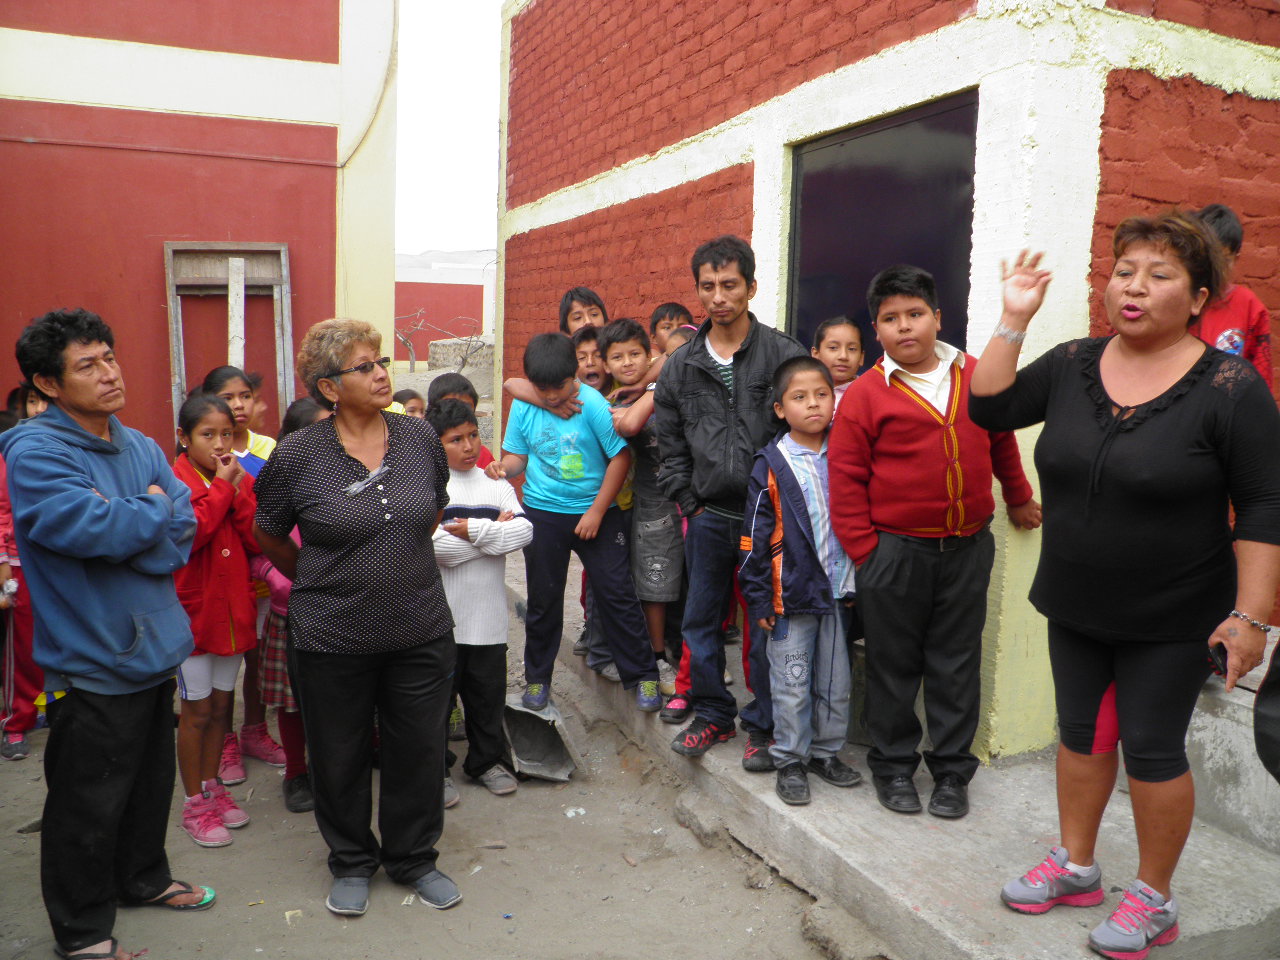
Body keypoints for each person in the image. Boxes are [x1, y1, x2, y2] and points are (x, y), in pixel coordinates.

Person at [969, 213, 1280, 960]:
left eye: (1160, 274)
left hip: (1175, 612)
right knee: (1079, 737)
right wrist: (1014, 317)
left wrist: (1252, 617)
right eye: (1125, 271)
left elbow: (1266, 505)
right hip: (1075, 599)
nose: (1134, 287)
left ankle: (1153, 896)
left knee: (1151, 749)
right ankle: (1077, 867)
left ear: (1200, 297)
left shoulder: (1231, 387)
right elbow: (990, 407)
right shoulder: (1074, 361)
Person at [2, 308, 214, 960]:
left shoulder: (142, 445)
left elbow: (178, 538)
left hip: (153, 647)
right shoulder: (36, 451)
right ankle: (83, 929)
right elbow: (88, 530)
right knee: (86, 804)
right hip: (91, 655)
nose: (109, 373)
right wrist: (148, 512)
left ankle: (142, 878)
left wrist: (137, 526)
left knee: (149, 784)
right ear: (49, 384)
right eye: (87, 365)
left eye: (110, 357)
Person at [253, 318, 461, 917]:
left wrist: (392, 567)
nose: (380, 373)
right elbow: (268, 533)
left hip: (419, 626)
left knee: (418, 748)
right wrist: (326, 579)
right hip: (331, 635)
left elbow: (430, 511)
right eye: (364, 366)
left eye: (380, 362)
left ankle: (413, 857)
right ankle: (350, 860)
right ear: (328, 387)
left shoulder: (419, 438)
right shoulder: (297, 455)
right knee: (338, 754)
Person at [829, 264, 1040, 820]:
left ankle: (950, 772)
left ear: (937, 318)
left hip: (967, 549)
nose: (905, 328)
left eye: (915, 314)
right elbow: (846, 479)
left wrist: (1017, 497)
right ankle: (895, 767)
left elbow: (1001, 443)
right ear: (877, 330)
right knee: (893, 665)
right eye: (891, 319)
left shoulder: (975, 375)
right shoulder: (866, 397)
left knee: (955, 661)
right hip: (895, 553)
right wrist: (865, 554)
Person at [654, 235, 807, 764]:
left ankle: (762, 726)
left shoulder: (784, 354)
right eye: (708, 286)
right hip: (709, 518)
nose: (718, 297)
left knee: (767, 623)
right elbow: (668, 443)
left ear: (751, 287)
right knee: (699, 622)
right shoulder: (680, 366)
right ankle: (714, 715)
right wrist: (689, 503)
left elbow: (806, 432)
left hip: (769, 520)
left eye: (729, 285)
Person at [485, 332, 661, 713]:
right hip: (543, 513)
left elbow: (620, 458)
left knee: (616, 592)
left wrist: (597, 511)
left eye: (559, 386)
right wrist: (504, 467)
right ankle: (537, 679)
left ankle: (644, 674)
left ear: (575, 375)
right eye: (542, 388)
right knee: (543, 599)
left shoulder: (592, 404)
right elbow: (517, 454)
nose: (550, 396)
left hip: (597, 513)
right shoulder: (525, 406)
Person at [739, 357, 860, 806]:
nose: (813, 404)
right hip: (789, 595)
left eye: (822, 395)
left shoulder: (847, 453)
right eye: (799, 397)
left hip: (838, 590)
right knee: (791, 682)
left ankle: (825, 753)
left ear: (835, 399)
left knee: (835, 683)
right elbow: (751, 539)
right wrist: (759, 601)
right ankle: (789, 758)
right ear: (779, 409)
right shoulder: (772, 463)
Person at [428, 399, 531, 801]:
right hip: (442, 619)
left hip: (487, 618)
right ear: (438, 445)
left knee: (486, 698)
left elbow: (524, 534)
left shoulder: (497, 485)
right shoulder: (431, 487)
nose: (469, 446)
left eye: (473, 436)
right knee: (437, 704)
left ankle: (487, 761)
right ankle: (435, 771)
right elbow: (435, 548)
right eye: (456, 440)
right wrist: (491, 534)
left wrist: (470, 531)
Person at [172, 393, 258, 847]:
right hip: (193, 618)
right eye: (208, 435)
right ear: (184, 438)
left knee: (222, 707)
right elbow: (192, 533)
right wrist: (225, 488)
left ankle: (213, 787)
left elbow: (255, 537)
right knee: (197, 710)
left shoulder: (235, 478)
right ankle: (193, 803)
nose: (220, 444)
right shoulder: (174, 482)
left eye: (226, 434)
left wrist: (237, 489)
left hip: (233, 613)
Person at [201, 365, 286, 782]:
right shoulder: (202, 449)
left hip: (263, 574)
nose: (238, 405)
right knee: (223, 662)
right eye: (228, 397)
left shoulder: (268, 448)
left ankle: (255, 729)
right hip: (220, 576)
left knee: (258, 657)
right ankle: (226, 740)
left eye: (244, 396)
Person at [248, 397, 329, 814]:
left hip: (339, 608)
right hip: (289, 612)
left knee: (340, 699)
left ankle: (338, 767)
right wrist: (279, 576)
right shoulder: (278, 485)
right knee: (293, 703)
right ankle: (297, 773)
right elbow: (259, 548)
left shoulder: (349, 479)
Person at [601, 318, 681, 694]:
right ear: (605, 363)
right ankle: (655, 655)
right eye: (618, 357)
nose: (628, 362)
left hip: (676, 496)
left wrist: (645, 381)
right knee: (646, 579)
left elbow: (677, 350)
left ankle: (685, 654)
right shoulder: (608, 402)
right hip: (637, 500)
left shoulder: (656, 381)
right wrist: (647, 386)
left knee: (677, 578)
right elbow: (629, 428)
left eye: (636, 354)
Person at [1191, 203, 1272, 389]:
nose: (1213, 268)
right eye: (1207, 258)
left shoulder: (1250, 308)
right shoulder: (1178, 300)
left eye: (1223, 260)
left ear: (1236, 258)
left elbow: (1261, 379)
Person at [1, 449, 43, 760]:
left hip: (49, 557)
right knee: (22, 647)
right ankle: (16, 721)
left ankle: (45, 706)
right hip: (16, 562)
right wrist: (3, 559)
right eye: (33, 401)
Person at [426, 372, 494, 469]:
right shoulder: (421, 461)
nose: (459, 413)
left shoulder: (483, 456)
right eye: (450, 408)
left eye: (466, 407)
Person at [810, 316, 864, 407]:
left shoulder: (868, 394)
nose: (843, 356)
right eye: (833, 348)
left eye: (852, 349)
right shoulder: (804, 391)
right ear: (816, 354)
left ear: (861, 357)